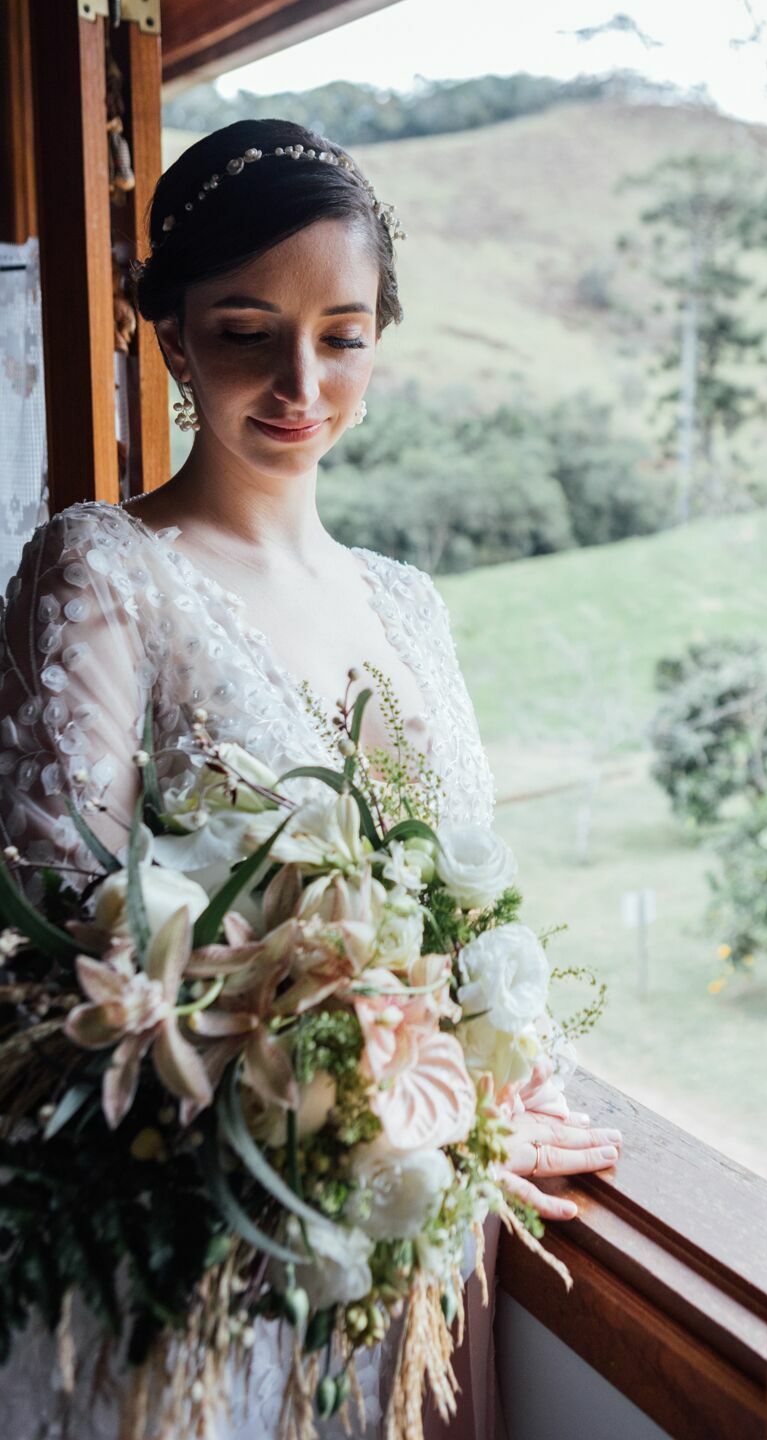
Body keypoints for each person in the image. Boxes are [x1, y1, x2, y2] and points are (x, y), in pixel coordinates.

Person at [0, 119, 621, 1438]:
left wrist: (506, 1081)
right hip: (207, 1254)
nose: (301, 380)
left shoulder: (409, 606)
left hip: (414, 1246)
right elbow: (58, 970)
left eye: (342, 333)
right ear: (170, 334)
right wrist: (331, 1085)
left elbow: (473, 901)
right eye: (246, 328)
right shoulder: (103, 572)